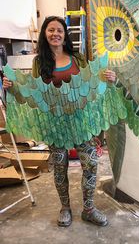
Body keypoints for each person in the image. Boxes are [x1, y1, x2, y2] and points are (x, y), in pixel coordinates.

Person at [3, 16, 116, 227]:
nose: (55, 34)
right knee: (59, 167)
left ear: (65, 35)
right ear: (45, 34)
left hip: (82, 123)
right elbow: (34, 93)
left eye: (59, 30)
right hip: (55, 126)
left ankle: (89, 209)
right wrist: (12, 86)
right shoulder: (39, 62)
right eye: (51, 30)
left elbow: (93, 84)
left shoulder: (78, 59)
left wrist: (109, 78)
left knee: (90, 164)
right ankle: (65, 207)